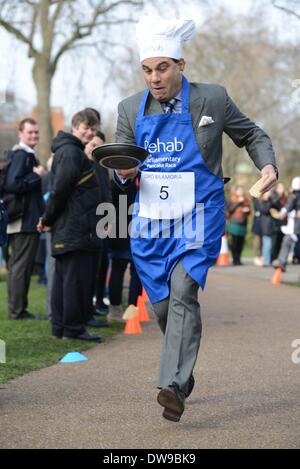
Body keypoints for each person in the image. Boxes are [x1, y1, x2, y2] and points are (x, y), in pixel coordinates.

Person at [115, 15, 278, 422]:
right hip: (151, 225)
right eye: (148, 70)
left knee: (185, 290)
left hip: (199, 215)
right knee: (167, 308)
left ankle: (171, 385)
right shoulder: (129, 108)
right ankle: (183, 376)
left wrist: (268, 165)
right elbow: (118, 162)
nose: (155, 77)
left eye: (163, 67)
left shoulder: (213, 99)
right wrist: (121, 171)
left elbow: (252, 134)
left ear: (181, 65)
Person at [37, 109, 105, 341]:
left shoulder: (69, 152)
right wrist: (47, 219)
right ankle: (73, 328)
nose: (89, 132)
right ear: (75, 127)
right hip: (75, 227)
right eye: (86, 127)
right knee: (75, 280)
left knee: (64, 280)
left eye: (93, 129)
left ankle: (61, 328)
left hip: (72, 226)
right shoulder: (71, 153)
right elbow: (59, 190)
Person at [4, 118, 45, 320]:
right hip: (23, 220)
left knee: (18, 267)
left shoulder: (24, 155)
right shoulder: (22, 155)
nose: (34, 136)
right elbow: (13, 184)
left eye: (36, 132)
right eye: (30, 132)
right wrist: (36, 175)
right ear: (21, 133)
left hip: (21, 219)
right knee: (21, 267)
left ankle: (18, 309)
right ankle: (17, 311)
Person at [272, 176, 300, 271]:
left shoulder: (295, 196)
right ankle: (281, 262)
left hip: (296, 226)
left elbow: (288, 207)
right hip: (295, 226)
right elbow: (289, 207)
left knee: (287, 241)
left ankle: (281, 262)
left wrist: (282, 214)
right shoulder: (295, 196)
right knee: (287, 241)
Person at [227, 185, 251, 266]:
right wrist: (238, 202)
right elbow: (230, 210)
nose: (241, 192)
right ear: (236, 191)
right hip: (235, 223)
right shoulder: (232, 199)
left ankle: (239, 259)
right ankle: (235, 259)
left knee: (241, 242)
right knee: (235, 242)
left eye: (242, 190)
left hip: (243, 223)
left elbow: (249, 210)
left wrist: (247, 210)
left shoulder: (245, 199)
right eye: (239, 190)